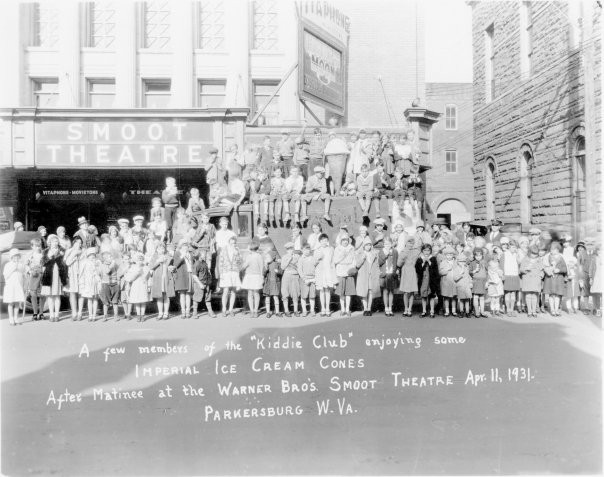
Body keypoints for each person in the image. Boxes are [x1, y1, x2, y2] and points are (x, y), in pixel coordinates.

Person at [41, 235, 68, 322]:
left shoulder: (62, 251)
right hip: (48, 275)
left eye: (56, 241)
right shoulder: (45, 251)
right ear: (50, 242)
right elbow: (42, 262)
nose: (55, 243)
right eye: (53, 241)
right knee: (50, 296)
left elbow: (65, 263)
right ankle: (51, 314)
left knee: (57, 295)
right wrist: (49, 257)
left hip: (58, 275)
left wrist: (62, 256)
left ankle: (57, 315)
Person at [150, 241, 175, 320]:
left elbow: (173, 266)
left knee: (166, 296)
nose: (161, 249)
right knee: (159, 296)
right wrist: (158, 261)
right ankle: (160, 313)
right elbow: (151, 266)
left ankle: (166, 313)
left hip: (167, 278)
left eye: (163, 248)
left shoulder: (168, 256)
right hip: (158, 279)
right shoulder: (154, 257)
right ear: (156, 249)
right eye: (159, 248)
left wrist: (172, 268)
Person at [314, 234, 338, 316]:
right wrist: (318, 259)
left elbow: (332, 262)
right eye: (322, 240)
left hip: (328, 272)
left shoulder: (331, 249)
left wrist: (333, 273)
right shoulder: (317, 250)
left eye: (325, 240)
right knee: (321, 291)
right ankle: (322, 309)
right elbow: (314, 263)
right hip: (320, 272)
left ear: (327, 241)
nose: (324, 242)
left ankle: (328, 308)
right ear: (320, 241)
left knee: (327, 290)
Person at [333, 235, 356, 317]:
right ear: (341, 241)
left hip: (348, 272)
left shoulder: (351, 248)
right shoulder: (337, 249)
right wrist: (342, 255)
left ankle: (347, 309)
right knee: (341, 293)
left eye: (346, 240)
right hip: (340, 272)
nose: (345, 242)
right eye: (343, 240)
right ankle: (342, 309)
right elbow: (335, 261)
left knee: (348, 293)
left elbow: (354, 260)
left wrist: (351, 268)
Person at [355, 241, 380, 316]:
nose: (368, 247)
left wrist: (377, 272)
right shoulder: (360, 254)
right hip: (363, 275)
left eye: (369, 245)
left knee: (370, 291)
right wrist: (362, 259)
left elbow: (377, 265)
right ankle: (365, 308)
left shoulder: (374, 254)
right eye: (366, 245)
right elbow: (357, 265)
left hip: (372, 274)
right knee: (364, 292)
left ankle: (369, 308)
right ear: (363, 246)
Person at [219, 236, 242, 317]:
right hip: (226, 272)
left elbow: (240, 262)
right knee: (225, 291)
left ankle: (231, 309)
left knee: (233, 291)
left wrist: (237, 254)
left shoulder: (237, 250)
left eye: (234, 243)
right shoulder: (224, 249)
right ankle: (224, 309)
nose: (233, 244)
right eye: (231, 243)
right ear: (228, 242)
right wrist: (221, 273)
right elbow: (220, 262)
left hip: (234, 272)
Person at [241, 239, 265, 318]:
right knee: (256, 294)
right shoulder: (259, 256)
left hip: (251, 276)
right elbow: (262, 268)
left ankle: (252, 311)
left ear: (250, 248)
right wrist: (262, 277)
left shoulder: (249, 256)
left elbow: (244, 266)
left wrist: (241, 265)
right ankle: (255, 311)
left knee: (250, 294)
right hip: (256, 276)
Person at [519, 245, 545, 318]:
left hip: (536, 280)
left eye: (535, 254)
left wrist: (541, 275)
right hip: (527, 279)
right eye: (533, 254)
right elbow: (521, 269)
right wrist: (525, 269)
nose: (534, 256)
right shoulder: (525, 259)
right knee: (528, 295)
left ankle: (534, 311)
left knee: (534, 296)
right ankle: (529, 311)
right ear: (529, 252)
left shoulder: (539, 260)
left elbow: (542, 269)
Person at [415, 243, 439, 318]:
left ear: (430, 251)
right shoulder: (419, 259)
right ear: (422, 251)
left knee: (431, 296)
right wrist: (422, 263)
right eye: (425, 250)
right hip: (423, 281)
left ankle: (432, 311)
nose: (426, 252)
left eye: (428, 250)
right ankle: (424, 311)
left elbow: (435, 270)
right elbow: (418, 270)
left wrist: (429, 262)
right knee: (424, 296)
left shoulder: (433, 259)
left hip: (431, 281)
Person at [543, 242, 567, 316]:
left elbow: (565, 269)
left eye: (554, 249)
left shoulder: (561, 258)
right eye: (551, 249)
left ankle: (556, 309)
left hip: (558, 279)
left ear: (558, 250)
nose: (552, 251)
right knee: (550, 295)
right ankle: (552, 309)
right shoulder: (547, 257)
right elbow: (544, 266)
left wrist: (559, 270)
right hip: (550, 278)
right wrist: (549, 270)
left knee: (557, 295)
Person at [125, 252, 150, 322]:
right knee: (137, 301)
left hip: (143, 285)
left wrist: (142, 273)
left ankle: (142, 315)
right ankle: (138, 315)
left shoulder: (146, 267)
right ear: (136, 260)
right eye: (138, 260)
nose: (140, 261)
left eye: (141, 260)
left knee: (143, 300)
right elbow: (129, 279)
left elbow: (146, 279)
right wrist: (137, 273)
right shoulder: (133, 268)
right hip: (135, 285)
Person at [398, 236, 420, 316]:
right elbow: (398, 264)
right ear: (406, 243)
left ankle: (410, 309)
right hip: (405, 271)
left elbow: (418, 260)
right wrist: (403, 258)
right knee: (405, 292)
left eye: (412, 243)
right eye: (409, 242)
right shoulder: (403, 251)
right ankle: (405, 309)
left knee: (411, 292)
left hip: (412, 271)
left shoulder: (416, 252)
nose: (410, 244)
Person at [173, 241, 195, 319]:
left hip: (189, 274)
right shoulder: (177, 253)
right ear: (181, 246)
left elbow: (192, 264)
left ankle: (188, 311)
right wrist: (182, 256)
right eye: (184, 246)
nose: (185, 247)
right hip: (181, 275)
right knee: (182, 294)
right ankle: (183, 312)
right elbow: (175, 265)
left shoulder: (190, 254)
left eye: (186, 246)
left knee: (188, 294)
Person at [3, 249, 25, 326]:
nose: (16, 258)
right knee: (11, 302)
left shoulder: (21, 264)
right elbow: (6, 275)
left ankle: (16, 317)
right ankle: (11, 318)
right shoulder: (8, 265)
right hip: (10, 286)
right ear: (11, 257)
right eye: (14, 256)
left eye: (17, 256)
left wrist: (18, 267)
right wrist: (13, 267)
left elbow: (23, 272)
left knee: (17, 302)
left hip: (18, 286)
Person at [500, 237, 521, 316]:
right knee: (507, 294)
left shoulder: (516, 255)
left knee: (513, 294)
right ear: (509, 247)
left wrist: (518, 257)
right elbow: (501, 265)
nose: (514, 248)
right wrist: (502, 275)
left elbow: (519, 264)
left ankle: (512, 309)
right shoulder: (504, 254)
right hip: (507, 275)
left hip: (515, 275)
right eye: (512, 247)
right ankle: (508, 309)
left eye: (515, 247)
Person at [78, 247, 101, 322]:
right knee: (89, 299)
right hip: (88, 283)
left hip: (95, 282)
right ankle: (90, 314)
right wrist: (82, 283)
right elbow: (81, 274)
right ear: (87, 256)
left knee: (95, 299)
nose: (92, 257)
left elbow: (99, 273)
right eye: (90, 255)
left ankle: (94, 315)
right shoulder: (84, 263)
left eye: (93, 255)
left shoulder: (98, 262)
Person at [379, 237, 399, 317]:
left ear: (391, 244)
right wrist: (385, 255)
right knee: (385, 291)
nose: (387, 245)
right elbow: (379, 262)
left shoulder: (395, 251)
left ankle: (390, 308)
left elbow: (397, 261)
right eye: (385, 244)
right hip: (385, 273)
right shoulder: (381, 251)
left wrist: (397, 269)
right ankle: (386, 308)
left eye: (389, 244)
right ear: (384, 244)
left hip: (392, 273)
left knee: (391, 291)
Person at [192, 249, 214, 319]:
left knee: (208, 298)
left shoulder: (204, 262)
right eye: (203, 253)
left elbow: (208, 271)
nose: (205, 255)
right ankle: (194, 313)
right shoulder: (197, 263)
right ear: (199, 255)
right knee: (197, 298)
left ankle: (210, 312)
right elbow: (194, 275)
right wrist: (200, 284)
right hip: (200, 284)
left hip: (207, 283)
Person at [280, 243, 301, 317]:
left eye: (291, 249)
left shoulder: (297, 256)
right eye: (288, 249)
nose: (290, 250)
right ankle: (286, 311)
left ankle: (296, 310)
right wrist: (288, 260)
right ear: (286, 250)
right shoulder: (284, 257)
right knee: (285, 293)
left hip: (295, 276)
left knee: (295, 293)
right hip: (286, 276)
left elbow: (299, 266)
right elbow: (282, 267)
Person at [25, 238, 44, 321]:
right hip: (33, 275)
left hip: (42, 274)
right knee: (33, 294)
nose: (38, 247)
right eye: (36, 246)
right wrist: (29, 270)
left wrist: (44, 269)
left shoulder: (43, 254)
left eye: (39, 246)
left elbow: (46, 264)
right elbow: (26, 265)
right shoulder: (29, 255)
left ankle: (41, 312)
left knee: (43, 293)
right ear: (32, 246)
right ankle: (35, 312)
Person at [214, 217, 236, 282]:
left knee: (228, 269)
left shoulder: (231, 233)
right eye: (223, 224)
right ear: (220, 224)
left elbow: (234, 243)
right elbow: (217, 244)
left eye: (226, 224)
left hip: (228, 252)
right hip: (220, 252)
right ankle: (219, 285)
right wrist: (218, 253)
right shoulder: (217, 233)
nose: (225, 226)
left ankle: (229, 285)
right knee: (219, 269)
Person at [439, 245, 459, 317]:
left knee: (454, 297)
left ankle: (454, 311)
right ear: (445, 255)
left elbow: (458, 271)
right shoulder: (443, 262)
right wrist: (447, 269)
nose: (449, 256)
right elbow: (440, 272)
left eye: (451, 254)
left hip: (454, 282)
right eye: (448, 255)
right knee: (446, 297)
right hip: (446, 282)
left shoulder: (456, 262)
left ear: (453, 255)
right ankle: (447, 311)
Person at [469, 248, 488, 318]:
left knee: (482, 298)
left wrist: (487, 282)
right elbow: (469, 272)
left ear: (482, 255)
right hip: (476, 281)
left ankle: (482, 311)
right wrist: (474, 271)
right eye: (476, 256)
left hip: (483, 281)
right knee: (476, 297)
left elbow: (488, 272)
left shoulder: (485, 262)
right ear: (474, 256)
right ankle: (477, 311)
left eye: (480, 255)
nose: (478, 257)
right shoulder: (472, 263)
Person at [263, 250, 282, 318]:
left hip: (275, 283)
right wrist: (266, 267)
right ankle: (268, 312)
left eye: (268, 257)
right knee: (267, 298)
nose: (267, 258)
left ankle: (277, 312)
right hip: (268, 283)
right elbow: (263, 274)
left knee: (275, 297)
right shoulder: (266, 265)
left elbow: (281, 272)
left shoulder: (277, 264)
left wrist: (278, 272)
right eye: (266, 257)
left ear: (273, 257)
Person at [162, 177, 180, 241]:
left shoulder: (176, 191)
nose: (173, 184)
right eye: (172, 183)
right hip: (168, 208)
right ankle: (168, 239)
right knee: (168, 224)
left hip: (175, 208)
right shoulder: (165, 191)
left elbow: (178, 200)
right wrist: (171, 194)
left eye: (174, 183)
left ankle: (174, 239)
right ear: (167, 184)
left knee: (175, 224)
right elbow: (165, 201)